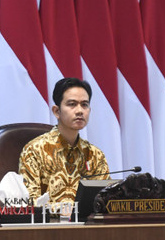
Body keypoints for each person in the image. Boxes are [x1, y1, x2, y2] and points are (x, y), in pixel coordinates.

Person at [18, 77, 109, 205]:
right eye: (72, 104)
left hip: (86, 224)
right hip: (48, 224)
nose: (79, 111)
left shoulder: (95, 155)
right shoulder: (34, 150)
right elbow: (31, 203)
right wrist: (68, 211)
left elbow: (104, 200)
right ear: (56, 111)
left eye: (84, 105)